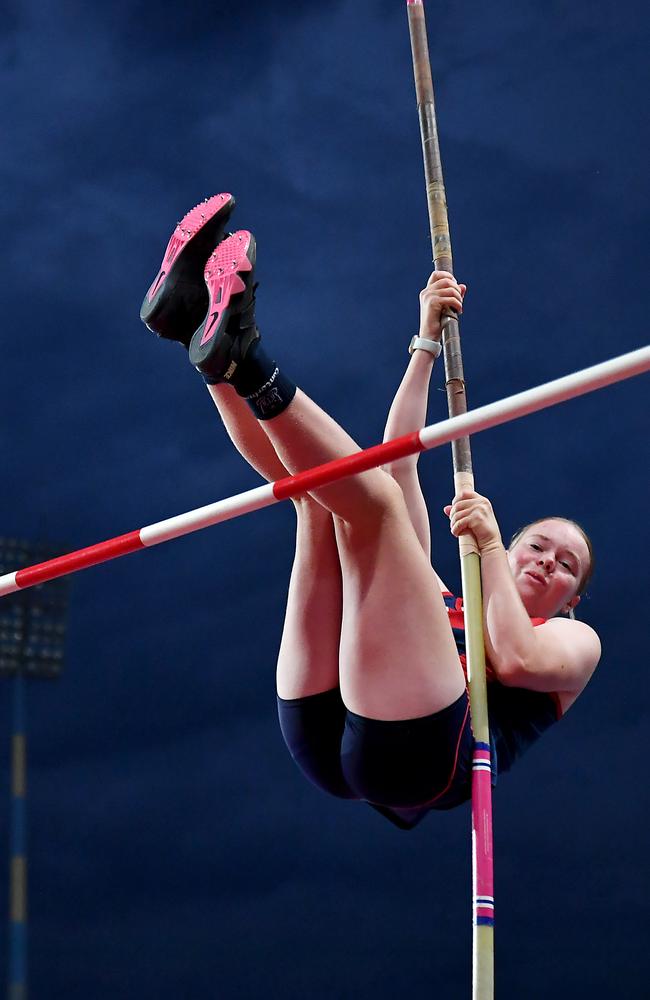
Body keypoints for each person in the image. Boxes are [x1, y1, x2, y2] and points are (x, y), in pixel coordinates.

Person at [141, 193, 602, 829]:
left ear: (574, 598)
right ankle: (194, 324)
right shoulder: (435, 600)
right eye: (538, 546)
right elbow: (400, 459)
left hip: (417, 757)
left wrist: (492, 547)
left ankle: (244, 354)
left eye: (565, 565)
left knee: (372, 508)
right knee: (321, 497)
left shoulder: (576, 641)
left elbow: (518, 658)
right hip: (335, 723)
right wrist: (426, 342)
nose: (546, 560)